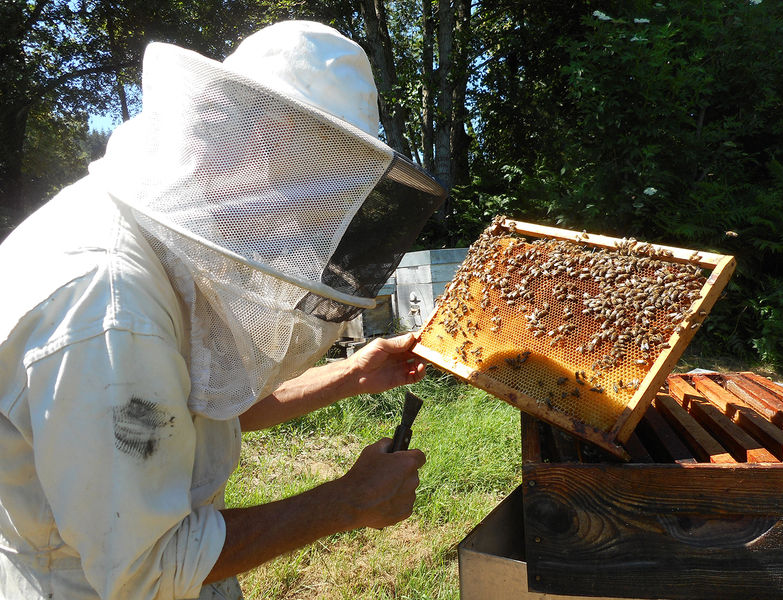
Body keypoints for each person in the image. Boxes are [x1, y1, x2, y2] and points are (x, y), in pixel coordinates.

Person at [0, 20, 447, 600]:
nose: (313, 214)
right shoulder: (107, 308)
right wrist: (347, 501)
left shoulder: (157, 248)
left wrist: (354, 373)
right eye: (310, 181)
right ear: (242, 141)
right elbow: (148, 568)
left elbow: (205, 407)